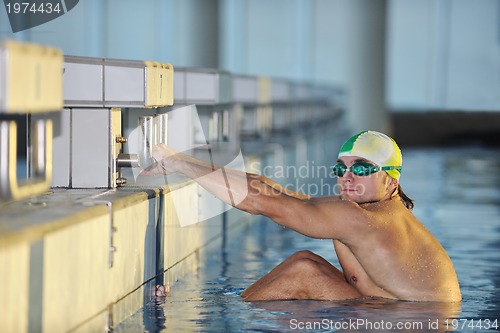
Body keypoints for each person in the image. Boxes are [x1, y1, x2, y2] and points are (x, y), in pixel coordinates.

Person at [144, 130, 462, 302]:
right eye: (342, 168)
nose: (347, 177)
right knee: (305, 264)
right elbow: (280, 195)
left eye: (362, 168)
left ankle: (216, 307)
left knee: (303, 273)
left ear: (391, 180)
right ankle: (228, 301)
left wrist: (178, 162)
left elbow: (263, 202)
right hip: (399, 312)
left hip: (406, 322)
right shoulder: (369, 211)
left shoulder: (363, 220)